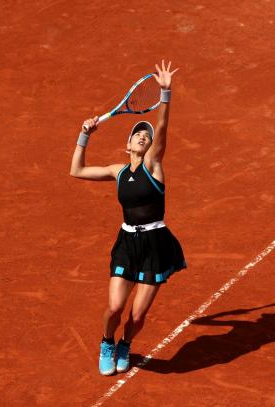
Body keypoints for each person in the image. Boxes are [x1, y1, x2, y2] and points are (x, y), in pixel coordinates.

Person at [69, 60, 185, 375]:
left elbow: (160, 128)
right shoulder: (116, 172)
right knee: (115, 309)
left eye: (146, 136)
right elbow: (76, 170)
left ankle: (125, 345)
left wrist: (166, 94)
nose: (143, 137)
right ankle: (107, 342)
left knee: (136, 318)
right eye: (138, 134)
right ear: (128, 145)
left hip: (155, 245)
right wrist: (84, 135)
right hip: (127, 243)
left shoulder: (154, 167)